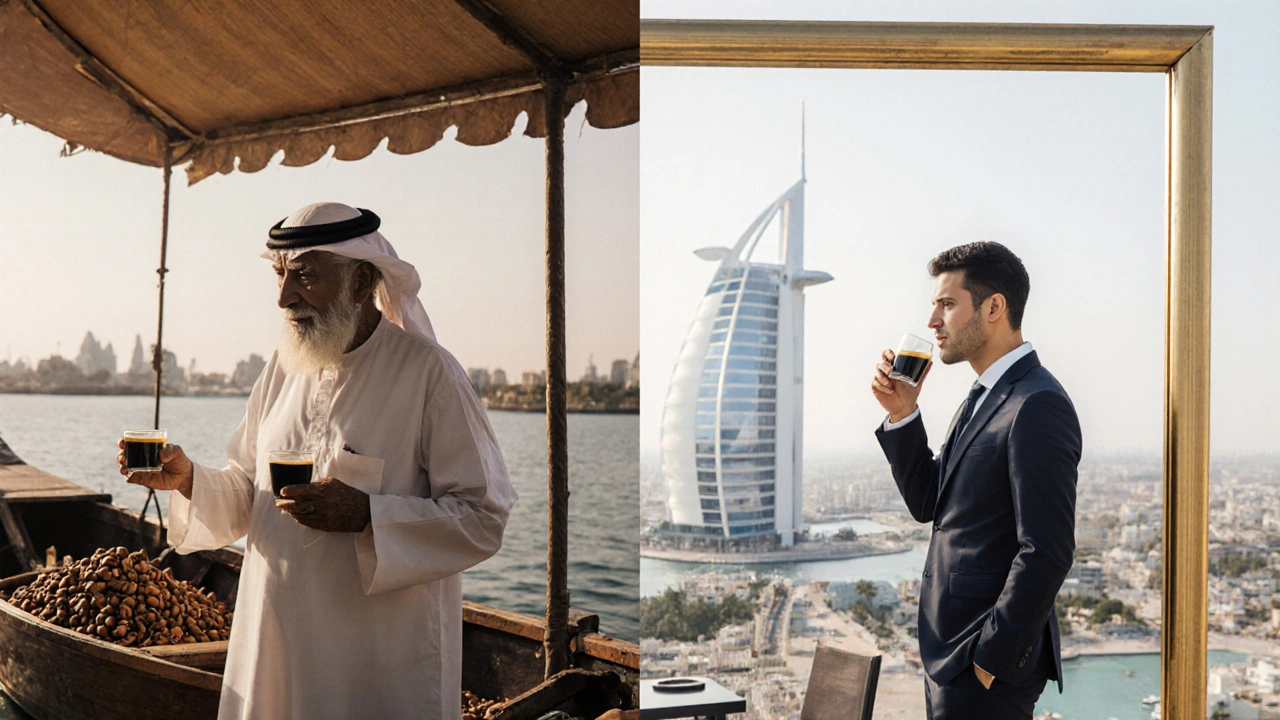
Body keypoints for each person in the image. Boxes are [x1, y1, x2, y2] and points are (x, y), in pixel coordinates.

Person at [119, 201, 517, 720]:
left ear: (361, 281)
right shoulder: (283, 368)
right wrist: (189, 480)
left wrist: (367, 514)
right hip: (276, 642)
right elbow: (251, 490)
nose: (285, 297)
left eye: (305, 276)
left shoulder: (430, 374)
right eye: (280, 275)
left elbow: (484, 516)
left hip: (377, 660)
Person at [870, 242, 1081, 719]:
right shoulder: (984, 397)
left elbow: (1047, 551)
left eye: (947, 304)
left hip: (982, 667)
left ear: (993, 307)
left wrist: (989, 660)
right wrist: (902, 414)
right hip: (950, 659)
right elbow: (930, 503)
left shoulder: (1036, 404)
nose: (932, 321)